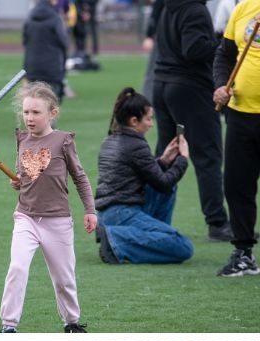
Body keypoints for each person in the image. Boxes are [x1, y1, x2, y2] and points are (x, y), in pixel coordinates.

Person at [0, 82, 96, 333]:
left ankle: (71, 322)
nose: (29, 118)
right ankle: (8, 326)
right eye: (26, 112)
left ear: (53, 113)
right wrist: (17, 182)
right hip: (26, 218)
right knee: (17, 268)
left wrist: (90, 210)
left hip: (58, 221)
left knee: (64, 279)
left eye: (36, 113)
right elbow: (25, 177)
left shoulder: (63, 141)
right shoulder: (21, 140)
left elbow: (80, 177)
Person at [153, 0, 233, 242]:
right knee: (208, 155)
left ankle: (152, 217)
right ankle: (217, 223)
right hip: (190, 87)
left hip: (162, 84)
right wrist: (224, 43)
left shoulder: (169, 5)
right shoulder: (195, 9)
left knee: (166, 155)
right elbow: (194, 49)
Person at [94, 86, 193, 264]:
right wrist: (183, 159)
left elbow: (142, 174)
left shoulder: (110, 139)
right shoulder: (135, 145)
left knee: (169, 185)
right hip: (120, 213)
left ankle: (151, 238)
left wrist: (163, 161)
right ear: (134, 121)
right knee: (183, 246)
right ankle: (115, 239)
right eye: (148, 118)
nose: (151, 123)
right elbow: (162, 183)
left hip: (108, 213)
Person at [212, 1, 260, 276]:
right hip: (240, 115)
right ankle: (244, 252)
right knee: (237, 186)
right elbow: (224, 55)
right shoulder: (243, 8)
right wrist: (221, 84)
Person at [23, 0, 69, 104]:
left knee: (33, 109)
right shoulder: (55, 18)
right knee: (50, 110)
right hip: (52, 70)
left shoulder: (30, 16)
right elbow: (64, 43)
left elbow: (26, 42)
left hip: (32, 69)